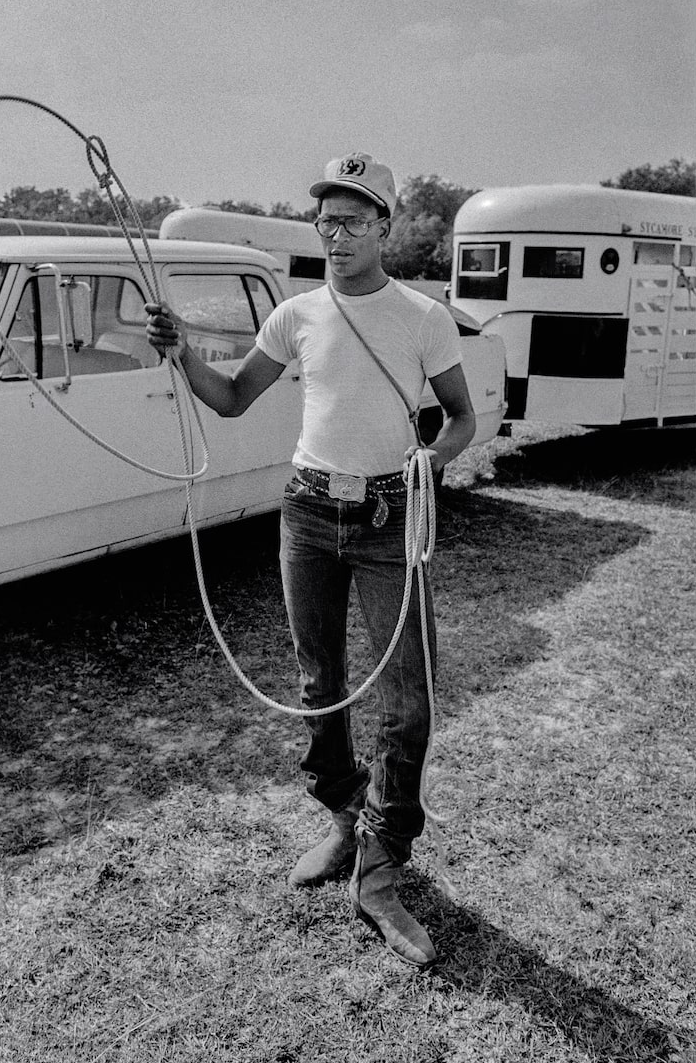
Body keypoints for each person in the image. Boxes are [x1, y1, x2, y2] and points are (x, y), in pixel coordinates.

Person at [145, 153, 475, 967]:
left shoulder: (423, 317)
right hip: (308, 510)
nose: (335, 233)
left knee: (409, 699)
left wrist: (431, 460)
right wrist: (182, 349)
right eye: (325, 219)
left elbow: (463, 417)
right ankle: (341, 817)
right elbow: (228, 399)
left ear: (385, 228)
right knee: (316, 684)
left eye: (353, 220)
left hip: (389, 512)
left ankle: (382, 865)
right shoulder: (294, 315)